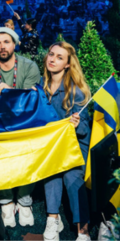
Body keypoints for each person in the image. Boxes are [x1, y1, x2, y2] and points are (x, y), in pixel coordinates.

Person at [0, 27, 41, 227]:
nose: (2, 46)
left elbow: (32, 99)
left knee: (29, 152)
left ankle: (24, 200)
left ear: (14, 44)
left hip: (25, 123)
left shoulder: (29, 66)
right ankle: (5, 200)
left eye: (6, 42)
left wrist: (10, 91)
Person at [41, 42, 91, 241]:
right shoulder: (40, 87)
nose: (52, 59)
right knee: (51, 173)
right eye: (51, 54)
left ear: (68, 64)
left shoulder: (76, 91)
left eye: (59, 57)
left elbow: (85, 131)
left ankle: (83, 230)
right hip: (52, 147)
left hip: (74, 148)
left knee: (72, 178)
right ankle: (52, 219)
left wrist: (77, 123)